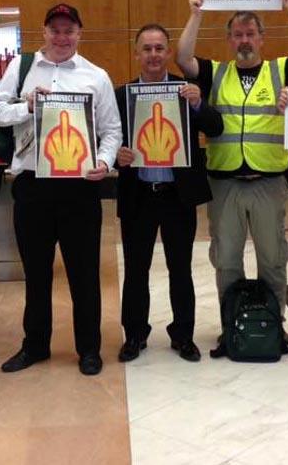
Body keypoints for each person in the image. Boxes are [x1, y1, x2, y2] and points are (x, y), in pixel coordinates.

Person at [175, 0, 288, 349]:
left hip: (268, 183)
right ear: (229, 40)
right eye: (237, 34)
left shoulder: (282, 70)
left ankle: (275, 323)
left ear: (262, 38)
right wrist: (195, 13)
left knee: (273, 258)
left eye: (250, 34)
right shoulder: (214, 73)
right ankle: (232, 325)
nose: (244, 40)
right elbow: (182, 57)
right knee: (226, 260)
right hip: (224, 184)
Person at [0, 3, 122, 376]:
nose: (62, 38)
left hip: (79, 187)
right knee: (37, 272)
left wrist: (105, 162)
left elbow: (111, 130)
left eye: (69, 31)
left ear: (80, 33)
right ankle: (35, 345)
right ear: (44, 32)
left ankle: (89, 349)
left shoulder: (96, 76)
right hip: (33, 185)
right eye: (55, 30)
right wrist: (26, 107)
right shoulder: (22, 68)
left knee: (84, 273)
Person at [114, 24, 223, 363]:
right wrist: (117, 152)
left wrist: (198, 104)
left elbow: (216, 127)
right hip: (139, 194)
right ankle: (134, 335)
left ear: (167, 51)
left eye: (160, 48)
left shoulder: (185, 89)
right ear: (136, 53)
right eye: (146, 49)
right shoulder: (121, 95)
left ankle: (183, 335)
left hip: (177, 196)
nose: (153, 55)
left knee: (180, 268)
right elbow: (105, 137)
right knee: (135, 269)